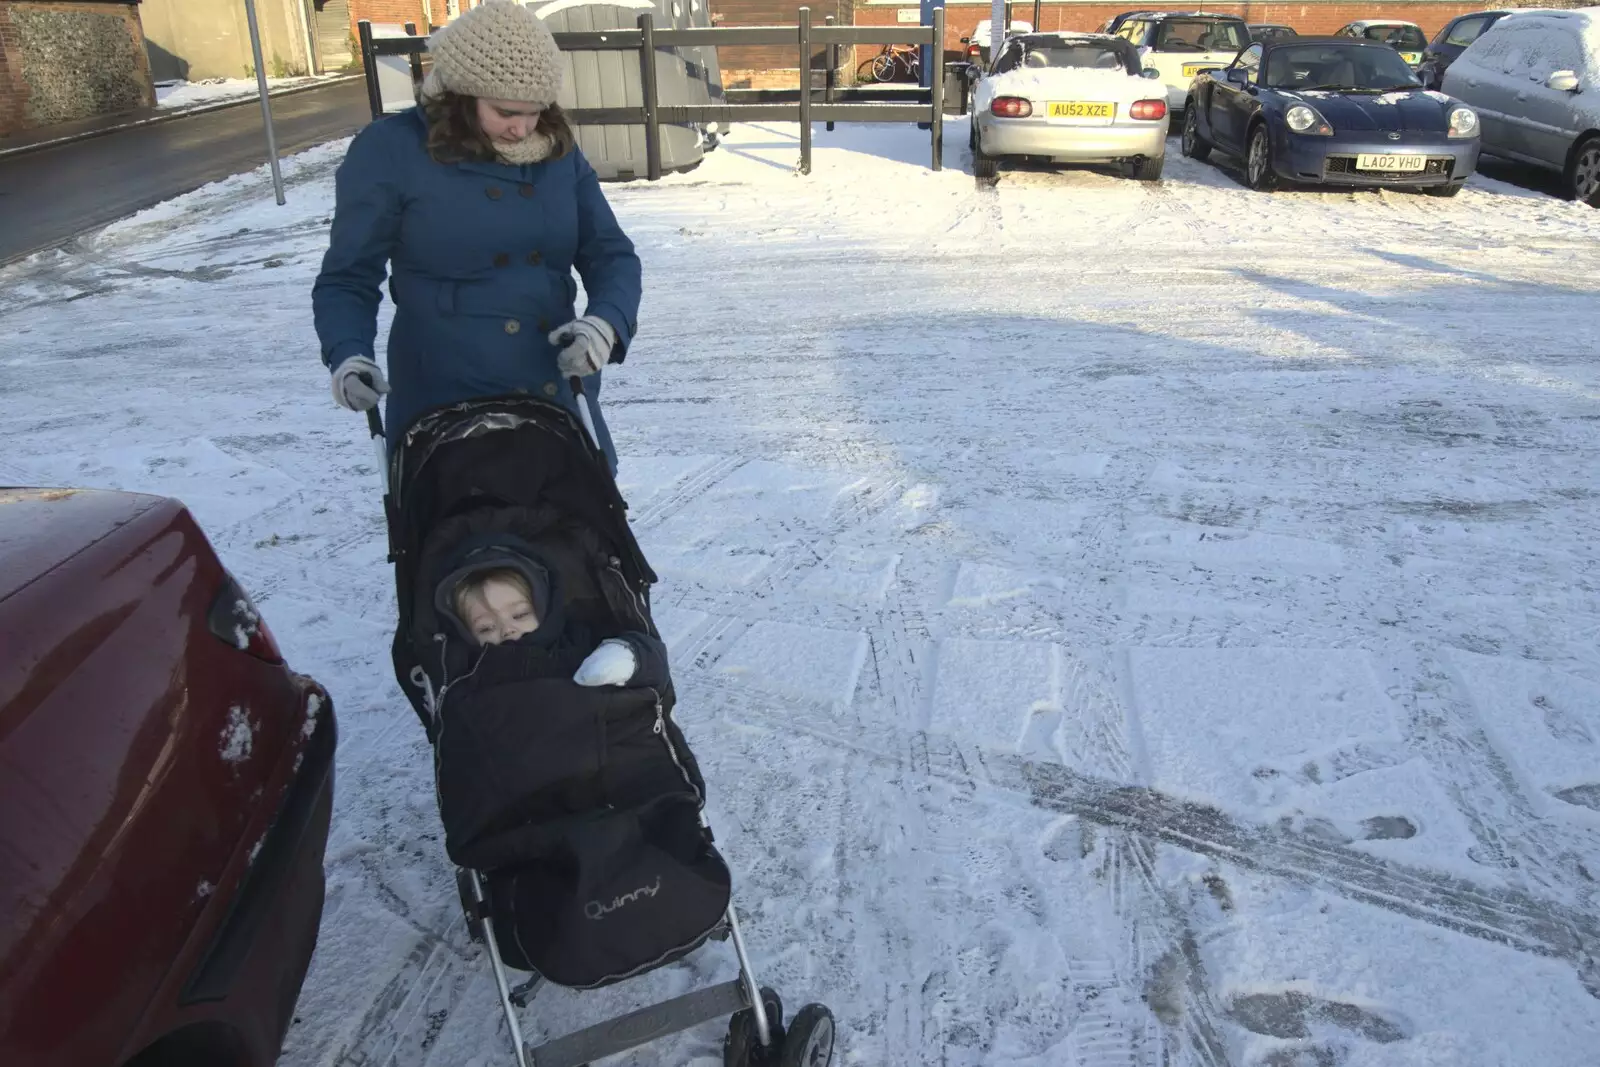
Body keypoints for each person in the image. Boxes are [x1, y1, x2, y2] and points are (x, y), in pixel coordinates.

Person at [312, 0, 641, 469]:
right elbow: (347, 277)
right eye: (507, 111)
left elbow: (612, 255)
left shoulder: (557, 150)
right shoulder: (392, 151)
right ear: (462, 94)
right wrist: (348, 354)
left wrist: (606, 323)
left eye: (535, 112)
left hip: (554, 390)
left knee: (577, 535)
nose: (522, 127)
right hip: (446, 402)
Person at [438, 554, 668, 689]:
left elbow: (655, 669)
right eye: (486, 627)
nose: (507, 630)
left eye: (519, 615)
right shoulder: (470, 678)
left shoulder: (579, 643)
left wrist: (628, 657)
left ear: (544, 609)